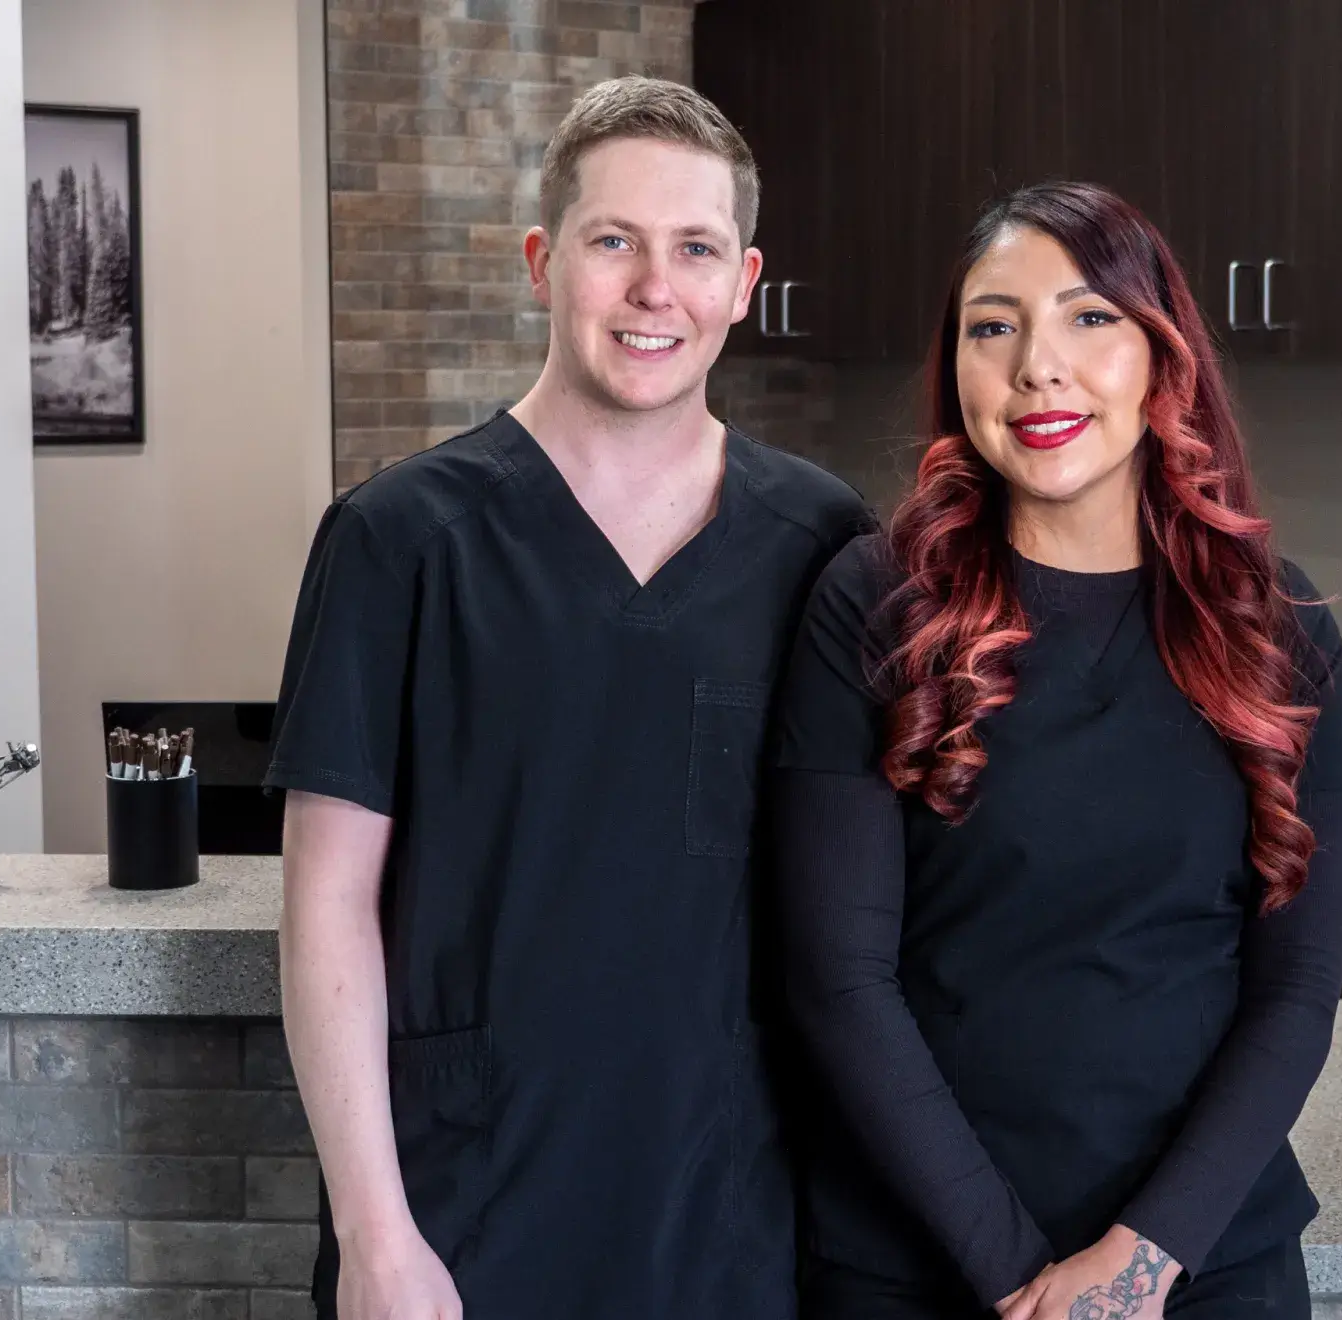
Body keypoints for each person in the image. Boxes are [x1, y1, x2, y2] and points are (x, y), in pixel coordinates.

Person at [266, 76, 869, 1320]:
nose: (656, 289)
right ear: (543, 262)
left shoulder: (823, 542)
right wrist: (375, 1239)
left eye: (694, 249)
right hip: (458, 1214)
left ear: (742, 283)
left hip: (731, 1211)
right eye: (613, 243)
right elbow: (326, 902)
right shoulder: (396, 541)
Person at [772, 181, 1342, 1320]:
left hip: (1202, 1267)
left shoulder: (1278, 628)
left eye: (1089, 317)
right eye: (992, 326)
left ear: (1161, 353)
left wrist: (1139, 1263)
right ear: (956, 370)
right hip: (917, 1263)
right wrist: (1020, 1281)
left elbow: (1296, 992)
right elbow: (838, 980)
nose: (1037, 365)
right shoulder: (875, 603)